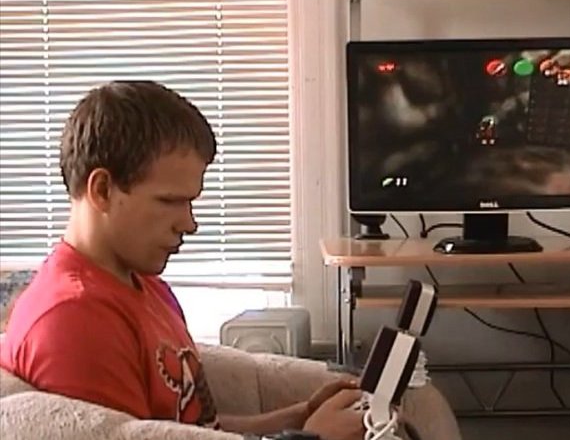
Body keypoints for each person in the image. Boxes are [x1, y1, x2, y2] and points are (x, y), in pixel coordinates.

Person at [0, 81, 364, 440]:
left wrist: (299, 418)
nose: (189, 223)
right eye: (170, 201)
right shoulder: (74, 318)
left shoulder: (146, 286)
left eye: (191, 202)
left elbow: (189, 430)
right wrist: (312, 439)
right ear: (102, 190)